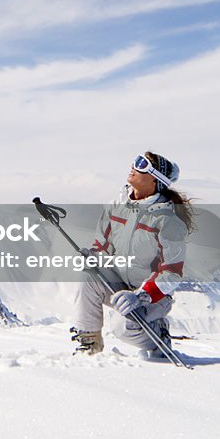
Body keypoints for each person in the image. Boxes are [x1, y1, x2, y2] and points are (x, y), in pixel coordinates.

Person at [71, 151, 193, 358]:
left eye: (142, 164)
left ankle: (158, 336)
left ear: (155, 179)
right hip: (119, 283)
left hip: (152, 295)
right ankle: (89, 344)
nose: (133, 166)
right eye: (137, 160)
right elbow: (104, 245)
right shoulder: (119, 206)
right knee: (88, 278)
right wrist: (93, 257)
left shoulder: (167, 221)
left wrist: (141, 295)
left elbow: (171, 272)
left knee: (122, 326)